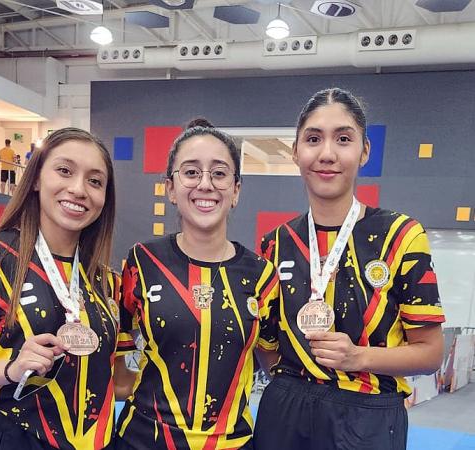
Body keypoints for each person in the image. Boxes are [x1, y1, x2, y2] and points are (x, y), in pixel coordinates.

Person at [253, 88, 445, 450]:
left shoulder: (400, 235)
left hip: (367, 416)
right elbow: (267, 345)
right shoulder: (274, 243)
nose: (327, 153)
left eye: (343, 139)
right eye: (313, 139)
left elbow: (431, 353)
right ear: (295, 152)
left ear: (364, 151)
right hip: (285, 410)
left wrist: (359, 357)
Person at [0, 127, 136, 450]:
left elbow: (119, 381)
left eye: (95, 181)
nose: (79, 189)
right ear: (37, 179)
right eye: (65, 170)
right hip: (15, 438)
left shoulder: (108, 281)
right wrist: (11, 369)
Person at [116, 119, 279, 450]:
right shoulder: (142, 261)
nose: (205, 184)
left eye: (219, 173)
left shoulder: (262, 274)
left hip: (231, 443)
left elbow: (273, 365)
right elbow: (116, 365)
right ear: (170, 188)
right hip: (144, 441)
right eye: (191, 172)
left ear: (236, 190)